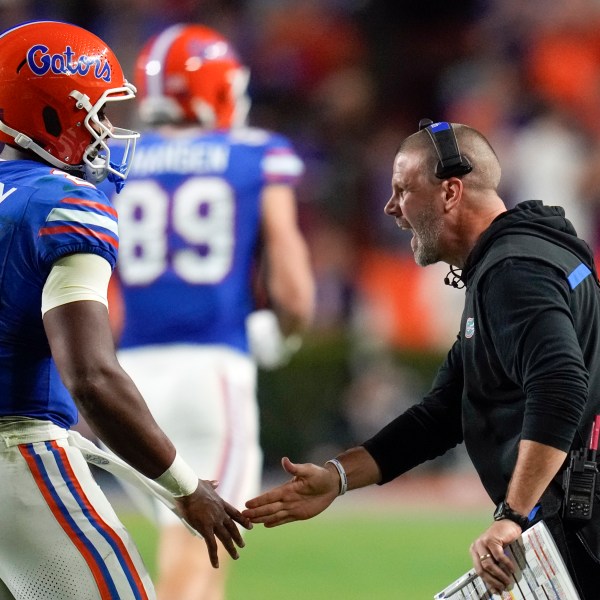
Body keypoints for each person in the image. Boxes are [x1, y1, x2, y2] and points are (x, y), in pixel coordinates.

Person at [243, 120, 600, 599]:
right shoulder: (523, 255)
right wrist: (338, 477)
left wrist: (512, 516)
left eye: (402, 190)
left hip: (581, 526)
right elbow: (443, 413)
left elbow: (561, 387)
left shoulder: (513, 272)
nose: (391, 208)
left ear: (450, 192)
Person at [0, 20, 252, 600]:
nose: (109, 131)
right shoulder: (63, 202)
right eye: (98, 115)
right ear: (51, 115)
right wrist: (187, 488)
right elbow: (91, 376)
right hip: (20, 456)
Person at [102, 23, 315, 600]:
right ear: (221, 90)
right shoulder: (253, 153)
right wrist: (282, 330)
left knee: (185, 542)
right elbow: (294, 292)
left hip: (126, 375)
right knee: (201, 554)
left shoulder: (115, 156)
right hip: (210, 370)